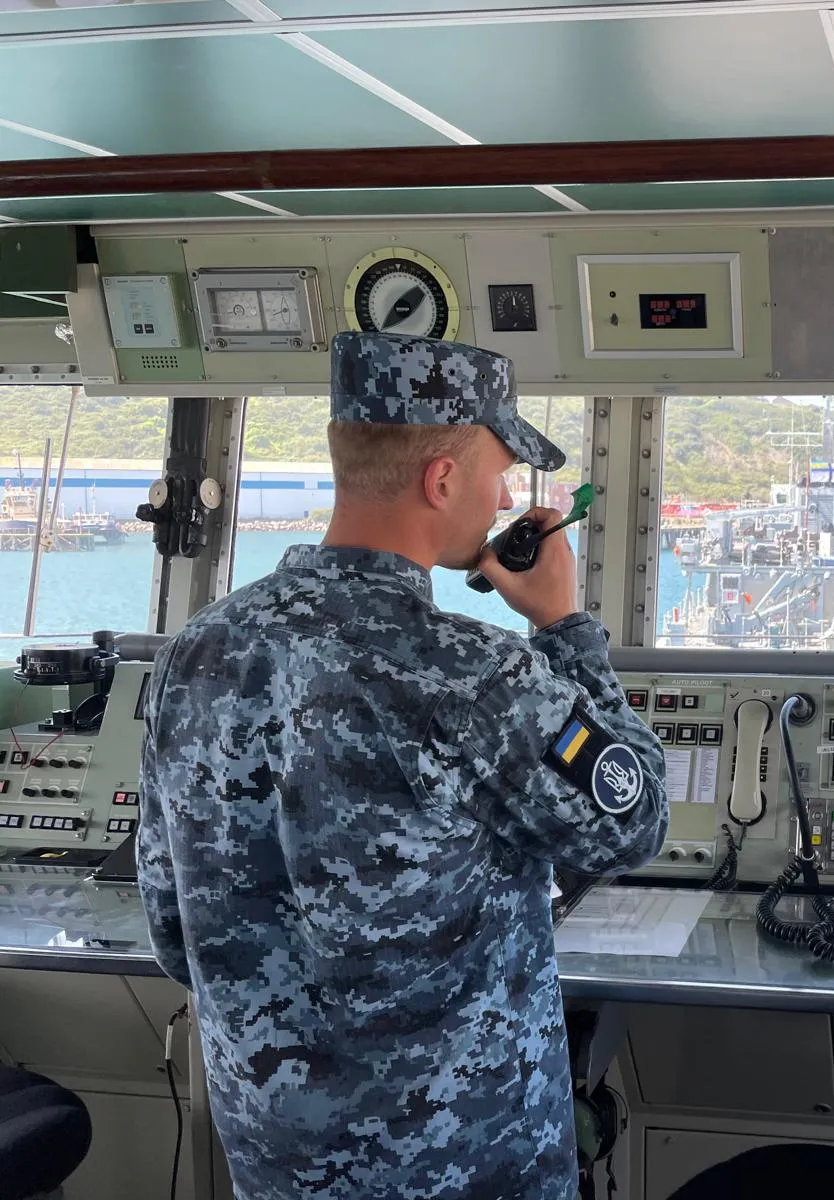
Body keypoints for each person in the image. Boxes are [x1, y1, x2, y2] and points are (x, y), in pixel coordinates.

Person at [136, 330, 669, 1200]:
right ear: (443, 480)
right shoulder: (474, 673)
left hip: (282, 1165)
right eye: (498, 470)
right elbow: (633, 818)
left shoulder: (194, 654)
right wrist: (566, 631)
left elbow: (171, 926)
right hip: (469, 1167)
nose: (503, 496)